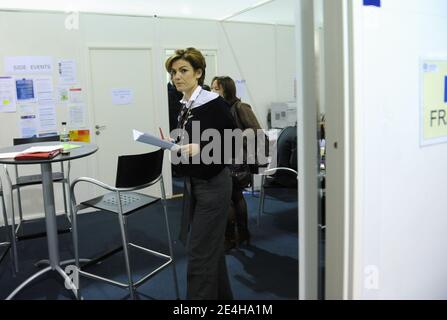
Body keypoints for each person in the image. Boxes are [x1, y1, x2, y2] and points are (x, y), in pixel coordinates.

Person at [165, 48, 235, 300]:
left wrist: (201, 147)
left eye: (183, 71)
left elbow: (236, 143)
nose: (177, 76)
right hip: (196, 183)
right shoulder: (185, 103)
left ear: (198, 73)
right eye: (174, 72)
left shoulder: (212, 103)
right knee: (210, 251)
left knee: (199, 253)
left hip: (214, 185)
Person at [211, 76, 263, 252]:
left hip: (237, 160)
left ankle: (233, 237)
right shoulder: (218, 108)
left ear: (227, 89)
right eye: (212, 88)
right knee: (233, 198)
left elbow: (257, 131)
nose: (213, 92)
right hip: (221, 158)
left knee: (231, 198)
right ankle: (240, 235)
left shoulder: (240, 107)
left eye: (216, 88)